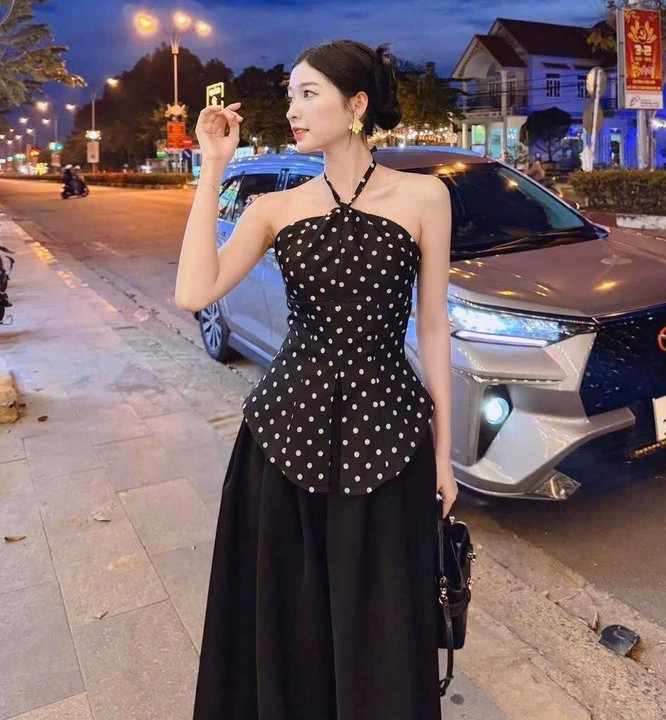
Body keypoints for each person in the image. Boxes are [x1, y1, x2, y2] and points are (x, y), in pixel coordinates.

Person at [175, 39, 455, 720]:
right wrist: (213, 169)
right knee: (290, 627)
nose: (292, 110)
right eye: (290, 95)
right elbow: (193, 292)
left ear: (356, 105)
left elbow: (433, 328)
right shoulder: (276, 208)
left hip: (390, 438)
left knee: (385, 629)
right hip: (283, 441)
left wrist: (445, 455)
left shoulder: (425, 197)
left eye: (308, 94)